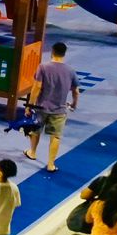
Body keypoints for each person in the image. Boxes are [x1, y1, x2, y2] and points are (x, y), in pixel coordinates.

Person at [25, 41, 78, 173]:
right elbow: (76, 91)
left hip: (41, 107)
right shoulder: (70, 71)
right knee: (55, 136)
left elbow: (37, 87)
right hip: (59, 109)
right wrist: (74, 104)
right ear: (64, 53)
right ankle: (50, 164)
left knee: (35, 130)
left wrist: (30, 105)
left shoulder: (43, 67)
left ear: (52, 52)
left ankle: (32, 152)